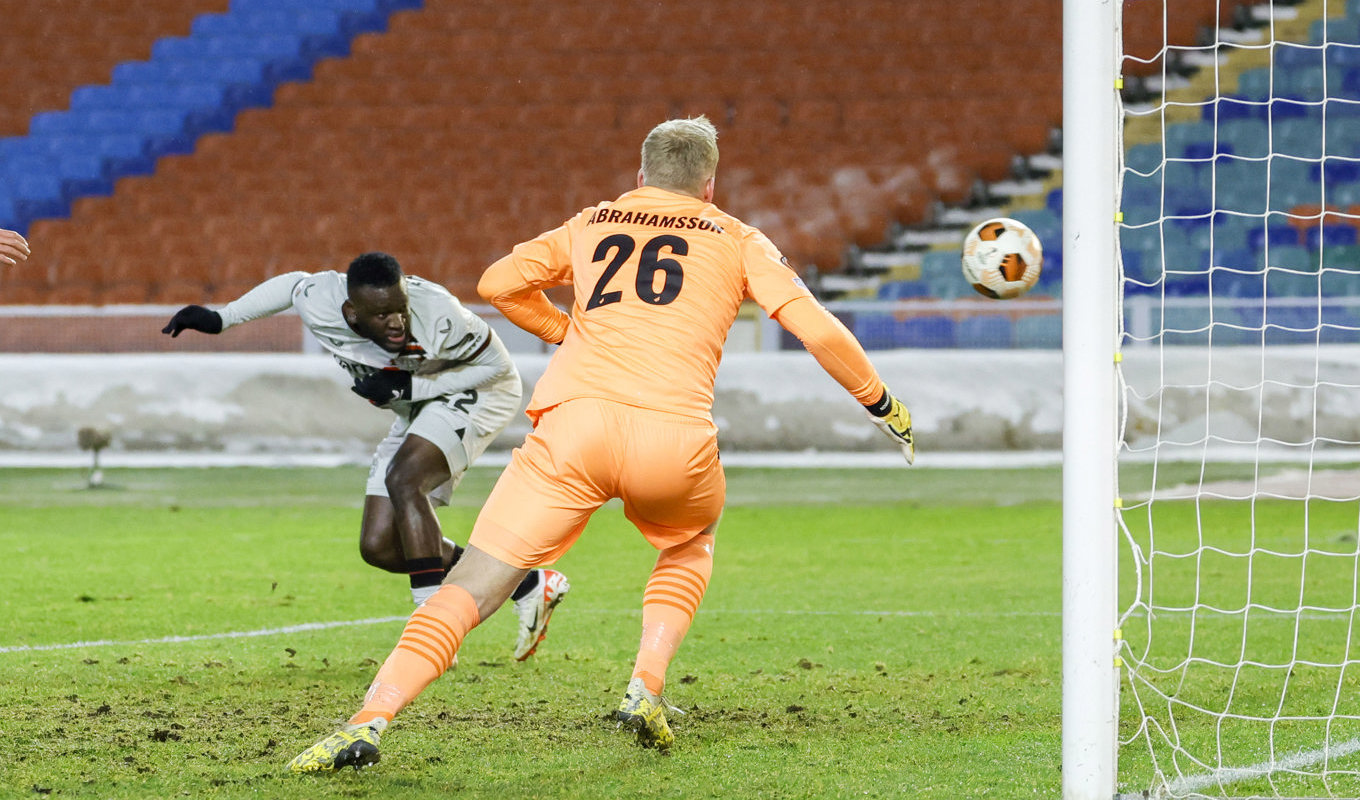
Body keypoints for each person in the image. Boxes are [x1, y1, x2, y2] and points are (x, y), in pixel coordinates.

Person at [286, 117, 914, 773]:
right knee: (688, 543)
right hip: (672, 438)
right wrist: (881, 403)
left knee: (470, 587)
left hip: (572, 430)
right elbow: (814, 327)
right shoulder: (736, 236)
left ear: (640, 177)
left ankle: (369, 721)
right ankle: (645, 684)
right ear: (709, 186)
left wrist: (563, 330)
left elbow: (497, 283)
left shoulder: (594, 222)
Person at [160, 252, 570, 662]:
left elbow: (495, 368)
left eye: (399, 309)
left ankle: (430, 627)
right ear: (352, 312)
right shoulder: (320, 298)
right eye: (381, 315)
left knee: (405, 480)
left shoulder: (438, 311)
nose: (396, 322)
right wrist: (221, 319)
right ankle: (527, 585)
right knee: (379, 546)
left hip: (479, 394)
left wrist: (408, 388)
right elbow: (291, 285)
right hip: (416, 402)